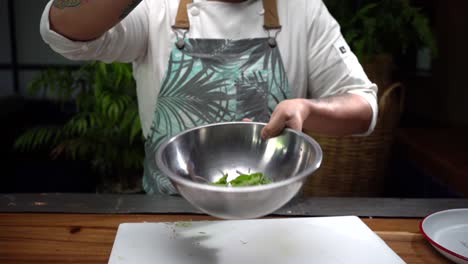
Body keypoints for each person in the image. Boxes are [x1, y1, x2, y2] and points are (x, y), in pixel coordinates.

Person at [40, 0, 378, 194]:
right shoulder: (156, 6)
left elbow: (364, 106)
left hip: (274, 221)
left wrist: (309, 109)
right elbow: (65, 34)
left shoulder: (302, 9)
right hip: (166, 218)